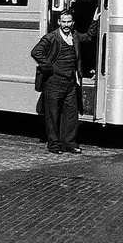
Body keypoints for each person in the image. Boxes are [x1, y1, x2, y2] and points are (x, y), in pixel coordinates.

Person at [31, 8, 99, 155]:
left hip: (70, 83)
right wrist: (49, 67)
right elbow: (36, 52)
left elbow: (88, 37)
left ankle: (69, 144)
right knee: (53, 115)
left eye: (69, 22)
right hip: (54, 83)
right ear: (59, 22)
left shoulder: (74, 35)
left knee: (71, 114)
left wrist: (94, 21)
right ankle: (54, 145)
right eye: (64, 22)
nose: (66, 24)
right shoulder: (51, 37)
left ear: (72, 23)